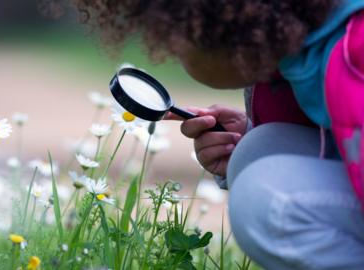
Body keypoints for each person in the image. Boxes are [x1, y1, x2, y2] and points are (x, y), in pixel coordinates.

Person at [73, 0, 364, 269]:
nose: (171, 51)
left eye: (178, 39)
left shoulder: (355, 56)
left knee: (267, 201)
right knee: (258, 148)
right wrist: (244, 134)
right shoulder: (299, 50)